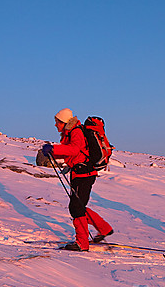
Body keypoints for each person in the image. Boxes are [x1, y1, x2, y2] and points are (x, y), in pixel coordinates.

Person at [41, 108, 113, 251]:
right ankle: (103, 229)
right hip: (79, 174)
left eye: (57, 122)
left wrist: (54, 150)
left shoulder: (76, 132)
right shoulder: (71, 132)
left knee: (76, 208)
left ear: (64, 122)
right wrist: (53, 153)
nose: (55, 125)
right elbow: (73, 153)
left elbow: (74, 149)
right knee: (78, 206)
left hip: (84, 175)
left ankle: (82, 243)